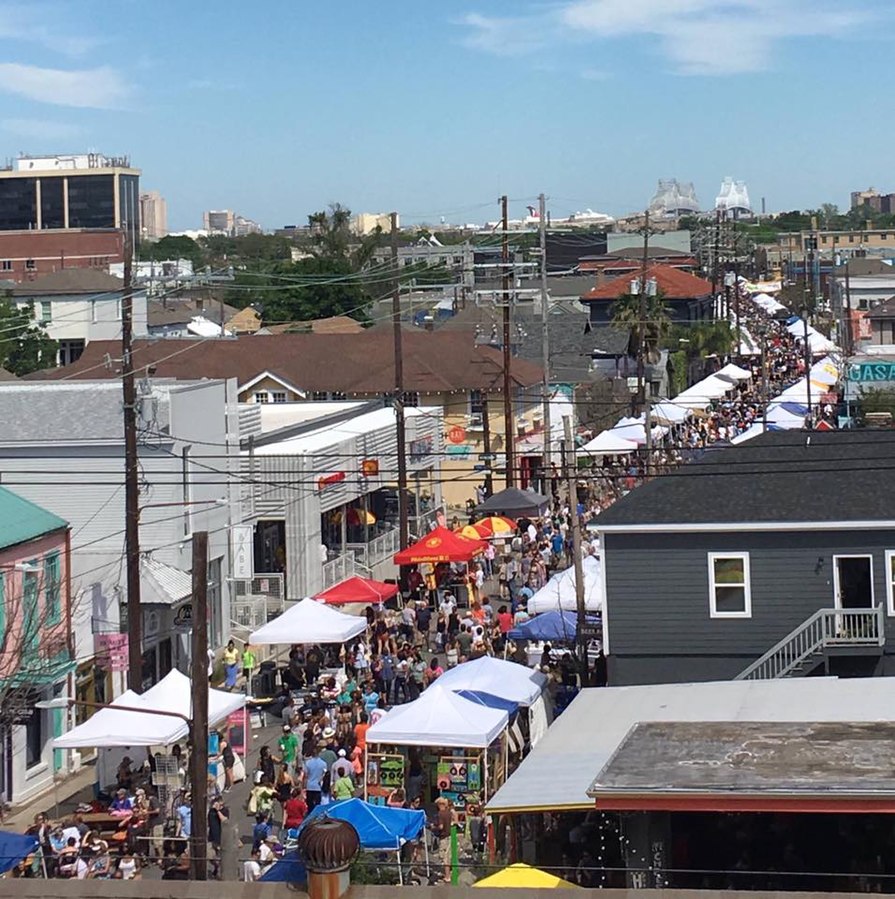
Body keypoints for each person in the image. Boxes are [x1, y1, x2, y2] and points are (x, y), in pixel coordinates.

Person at [303, 746, 327, 812]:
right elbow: (324, 775)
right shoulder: (323, 764)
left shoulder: (308, 763)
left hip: (309, 786)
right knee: (317, 805)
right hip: (318, 786)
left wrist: (303, 786)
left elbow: (305, 775)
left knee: (310, 805)